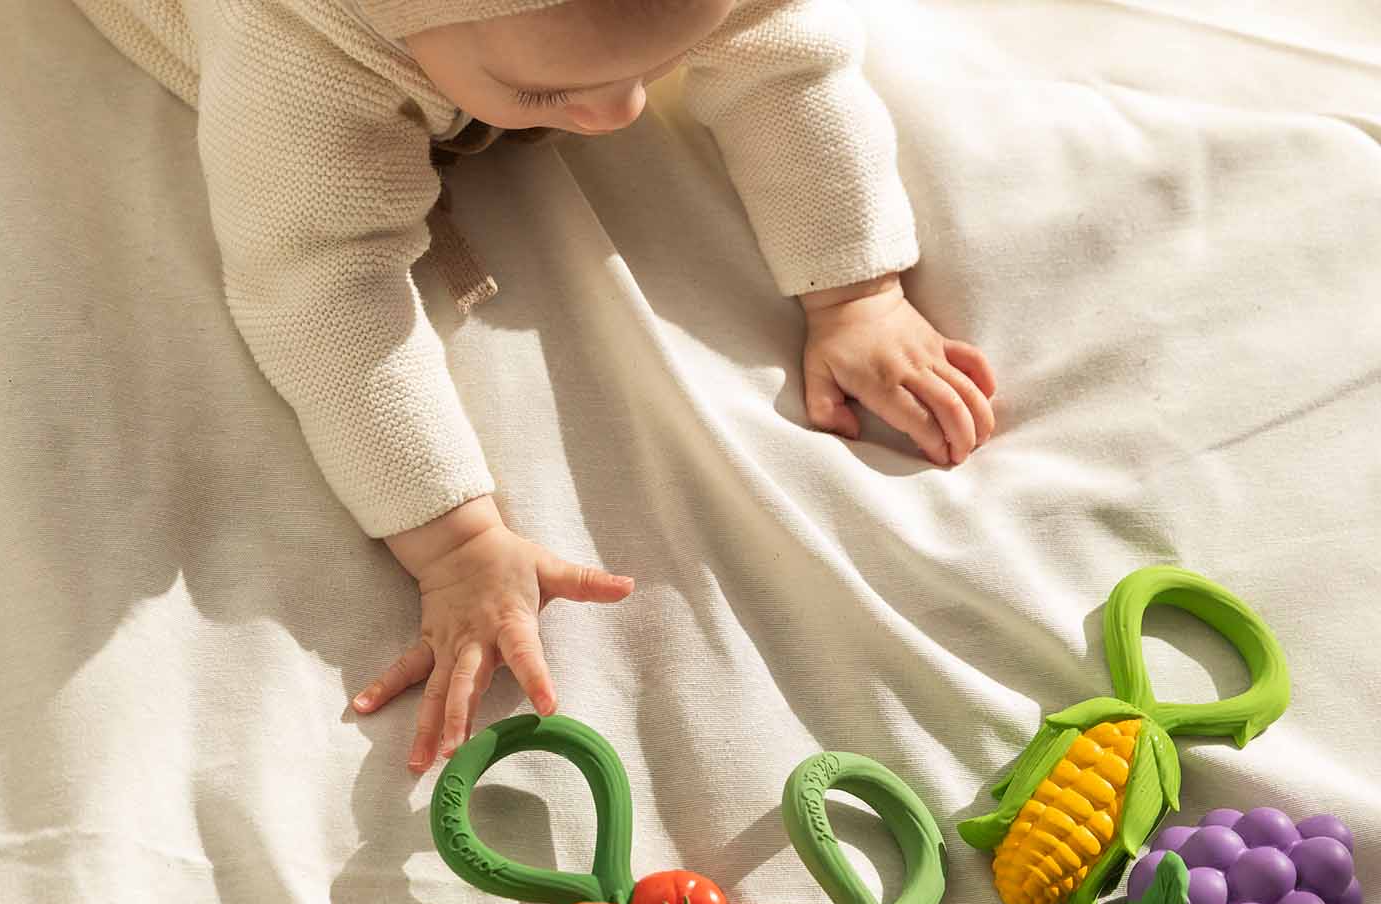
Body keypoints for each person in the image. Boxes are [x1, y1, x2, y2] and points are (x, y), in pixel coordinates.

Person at [72, 0, 998, 770]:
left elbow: (784, 53)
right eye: (546, 93)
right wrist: (454, 543)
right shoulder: (301, 52)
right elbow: (318, 286)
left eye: (662, 61)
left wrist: (858, 289)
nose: (622, 112)